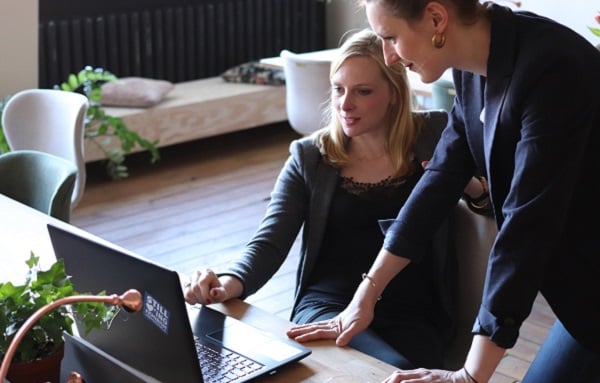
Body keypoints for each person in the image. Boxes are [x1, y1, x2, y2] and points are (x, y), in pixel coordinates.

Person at [286, 1, 600, 382]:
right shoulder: (474, 69)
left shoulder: (552, 68)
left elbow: (527, 226)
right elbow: (440, 179)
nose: (389, 56)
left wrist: (469, 376)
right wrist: (365, 297)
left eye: (391, 38)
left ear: (436, 18)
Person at [185, 28, 486, 369]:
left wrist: (469, 186)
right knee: (381, 369)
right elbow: (269, 242)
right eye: (338, 89)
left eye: (363, 91)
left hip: (415, 311)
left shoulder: (436, 133)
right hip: (329, 305)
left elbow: (492, 207)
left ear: (394, 93)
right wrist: (226, 284)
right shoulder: (310, 157)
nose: (345, 104)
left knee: (395, 369)